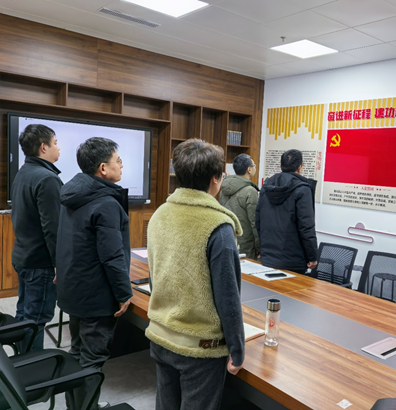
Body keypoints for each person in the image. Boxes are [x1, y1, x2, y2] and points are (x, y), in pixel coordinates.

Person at [146, 139, 245, 410]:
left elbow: (156, 276)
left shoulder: (160, 214)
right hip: (199, 346)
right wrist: (237, 349)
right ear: (215, 179)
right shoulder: (218, 226)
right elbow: (228, 296)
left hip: (160, 333)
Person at [56, 137, 132, 409]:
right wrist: (124, 293)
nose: (121, 166)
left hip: (74, 288)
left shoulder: (71, 195)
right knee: (92, 360)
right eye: (118, 161)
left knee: (77, 352)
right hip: (96, 296)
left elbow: (64, 241)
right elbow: (112, 256)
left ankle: (76, 407)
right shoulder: (106, 203)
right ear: (103, 168)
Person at [11, 124, 62, 352]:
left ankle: (19, 364)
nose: (58, 148)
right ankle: (32, 370)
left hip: (23, 256)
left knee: (24, 314)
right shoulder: (47, 178)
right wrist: (58, 263)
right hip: (40, 263)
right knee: (36, 320)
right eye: (55, 143)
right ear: (44, 147)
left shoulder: (24, 172)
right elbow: (53, 228)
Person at [256, 149, 318, 274]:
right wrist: (312, 256)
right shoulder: (302, 189)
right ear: (300, 167)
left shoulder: (266, 187)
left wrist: (262, 248)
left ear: (281, 166)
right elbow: (306, 227)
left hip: (268, 257)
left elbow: (258, 221)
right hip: (293, 260)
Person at [219, 153, 260, 259]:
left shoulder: (223, 188)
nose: (255, 168)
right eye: (254, 166)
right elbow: (254, 222)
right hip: (246, 244)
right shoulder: (250, 191)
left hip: (227, 239)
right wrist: (259, 246)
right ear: (249, 170)